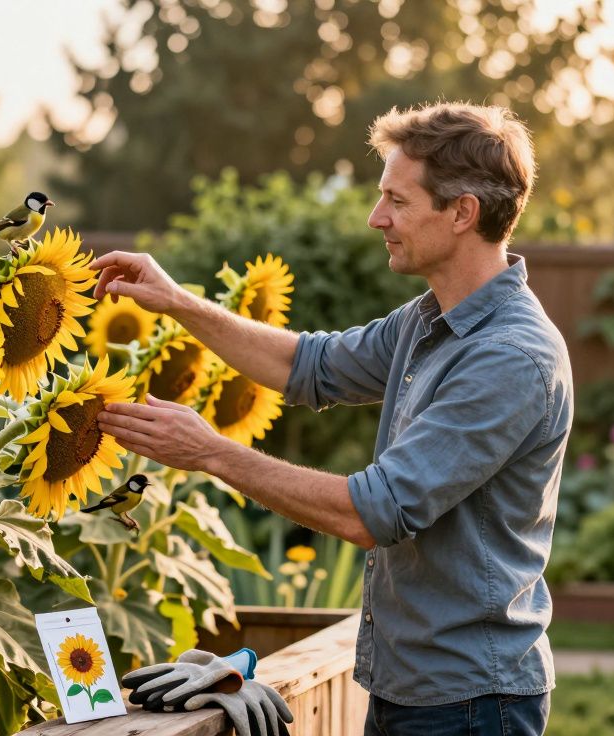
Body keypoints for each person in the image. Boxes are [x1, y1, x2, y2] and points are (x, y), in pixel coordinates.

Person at [93, 102, 573, 736]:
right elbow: (308, 365)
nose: (378, 219)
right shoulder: (428, 321)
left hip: (470, 706)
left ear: (463, 213)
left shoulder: (508, 360)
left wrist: (210, 452)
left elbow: (371, 512)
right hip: (416, 690)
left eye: (397, 201)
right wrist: (178, 302)